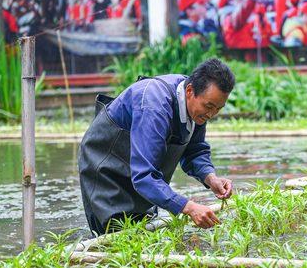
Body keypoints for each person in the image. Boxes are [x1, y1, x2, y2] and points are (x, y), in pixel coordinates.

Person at [78, 58, 236, 235]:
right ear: (190, 91)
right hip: (107, 169)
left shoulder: (197, 107)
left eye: (218, 109)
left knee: (143, 233)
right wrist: (189, 207)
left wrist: (211, 178)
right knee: (113, 236)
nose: (211, 114)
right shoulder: (154, 107)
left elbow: (195, 149)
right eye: (209, 106)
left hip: (139, 172)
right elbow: (144, 175)